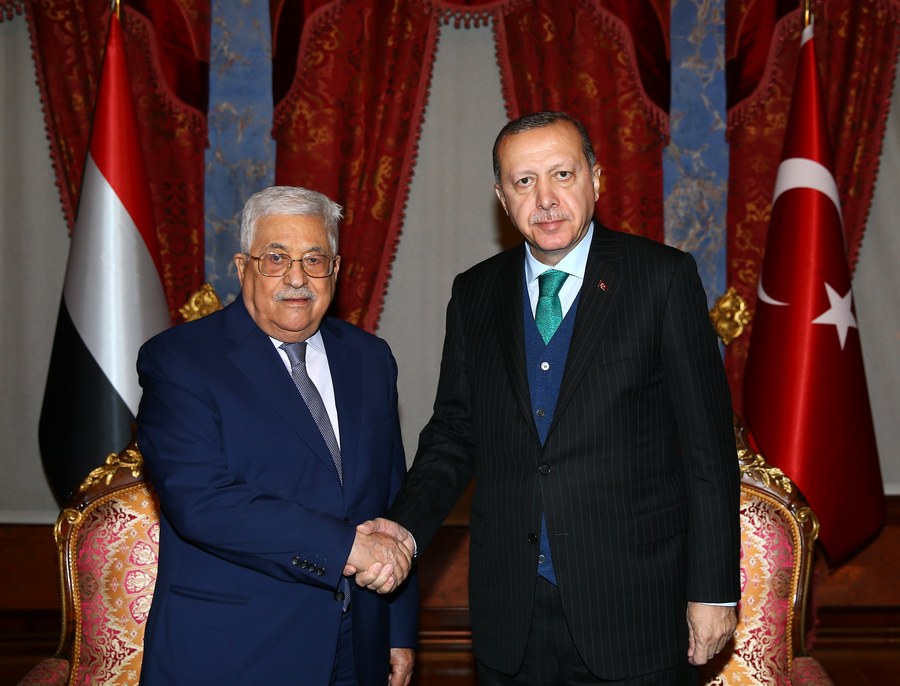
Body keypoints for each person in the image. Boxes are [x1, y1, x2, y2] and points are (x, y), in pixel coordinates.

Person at [363, 111, 740, 684]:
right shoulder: (475, 293)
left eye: (562, 174)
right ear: (501, 197)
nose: (545, 199)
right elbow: (454, 434)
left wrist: (712, 591)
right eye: (524, 181)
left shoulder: (661, 279)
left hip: (634, 606)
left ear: (595, 178)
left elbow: (708, 450)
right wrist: (404, 529)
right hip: (510, 612)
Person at [136, 186, 418, 686]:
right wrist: (346, 548)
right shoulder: (180, 360)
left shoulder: (371, 359)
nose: (296, 277)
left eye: (314, 259)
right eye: (276, 258)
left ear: (335, 270)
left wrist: (397, 628)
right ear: (242, 267)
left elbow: (390, 498)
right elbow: (202, 502)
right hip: (235, 650)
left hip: (358, 647)